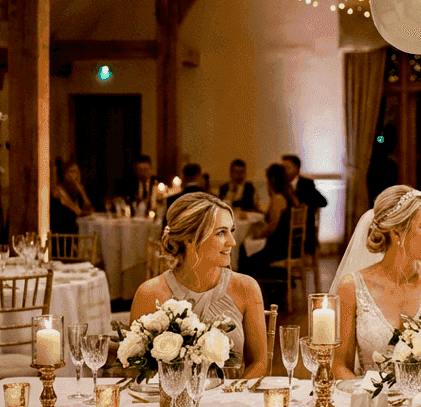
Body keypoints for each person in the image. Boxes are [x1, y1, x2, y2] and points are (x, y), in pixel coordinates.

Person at [129, 192, 267, 378]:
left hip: (231, 395)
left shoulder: (246, 288)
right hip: (169, 396)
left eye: (231, 231)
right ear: (190, 239)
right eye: (221, 232)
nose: (232, 242)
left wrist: (233, 392)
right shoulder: (149, 294)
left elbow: (259, 363)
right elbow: (136, 370)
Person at [330, 186, 421, 378]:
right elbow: (340, 366)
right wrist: (369, 394)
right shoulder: (351, 287)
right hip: (369, 396)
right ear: (397, 233)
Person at [240, 164, 303, 303]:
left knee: (244, 252)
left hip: (279, 249)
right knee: (250, 249)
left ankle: (249, 296)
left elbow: (271, 227)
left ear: (272, 180)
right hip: (291, 247)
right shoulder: (291, 196)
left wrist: (257, 236)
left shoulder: (278, 199)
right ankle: (277, 285)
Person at [283, 154, 328, 254]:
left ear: (296, 168)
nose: (284, 171)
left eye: (287, 168)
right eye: (283, 168)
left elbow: (323, 202)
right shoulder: (282, 185)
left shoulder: (307, 184)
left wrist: (303, 207)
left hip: (304, 235)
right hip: (285, 231)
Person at [51, 159, 94, 234]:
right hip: (63, 232)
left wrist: (83, 193)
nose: (77, 175)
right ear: (65, 175)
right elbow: (76, 212)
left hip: (75, 230)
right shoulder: (59, 191)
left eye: (78, 172)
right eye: (73, 172)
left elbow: (90, 211)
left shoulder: (76, 191)